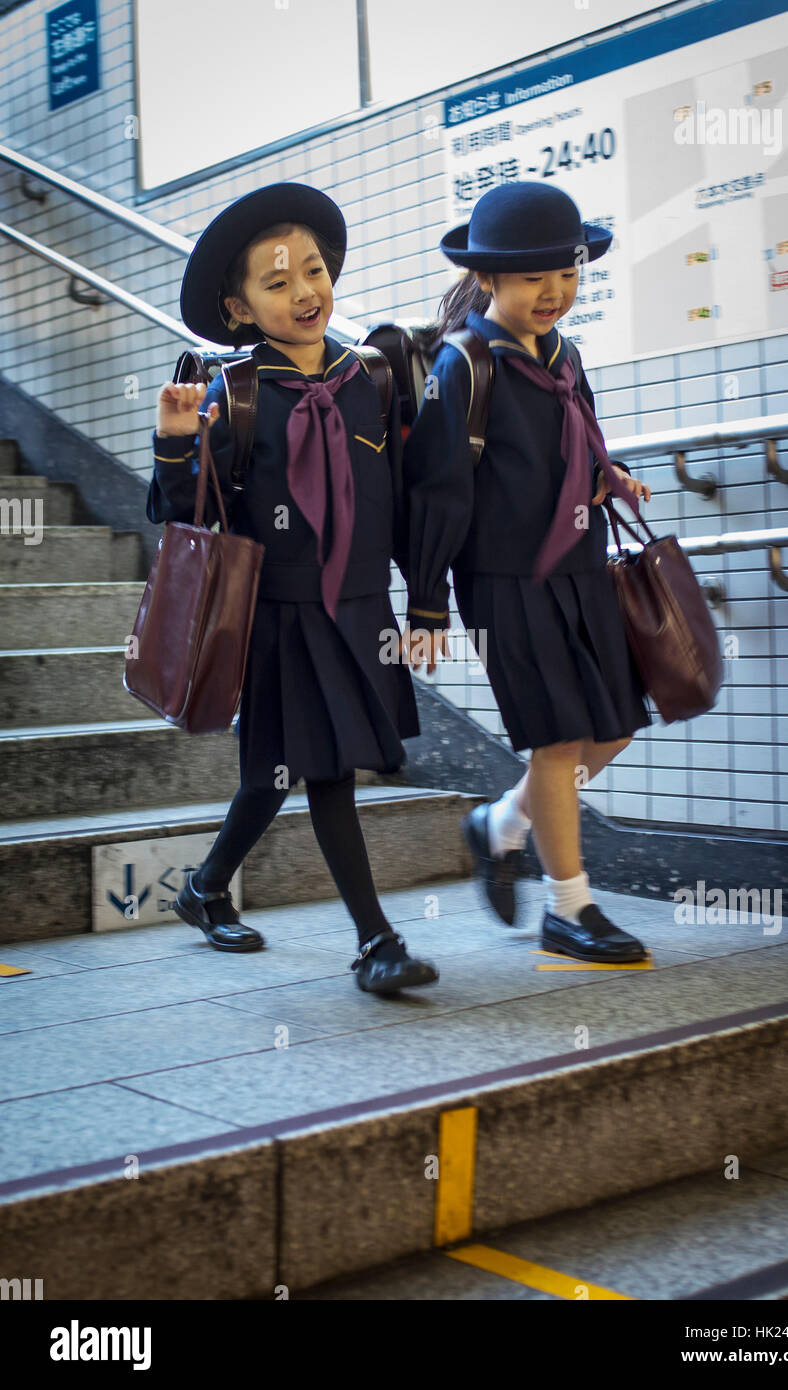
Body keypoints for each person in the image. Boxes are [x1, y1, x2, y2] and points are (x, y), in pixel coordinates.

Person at [146, 182, 438, 995]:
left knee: (271, 774)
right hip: (279, 615)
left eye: (312, 271)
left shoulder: (373, 377)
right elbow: (182, 515)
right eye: (277, 284)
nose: (305, 292)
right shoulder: (232, 393)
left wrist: (425, 604)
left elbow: (412, 496)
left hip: (357, 607)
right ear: (239, 308)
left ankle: (204, 889)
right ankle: (376, 943)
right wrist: (175, 444)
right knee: (329, 770)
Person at [401, 181, 654, 963]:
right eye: (534, 276)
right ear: (489, 279)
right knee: (556, 738)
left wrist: (609, 478)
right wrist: (427, 607)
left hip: (580, 566)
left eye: (568, 274)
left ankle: (502, 823)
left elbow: (574, 439)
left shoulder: (564, 356)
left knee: (613, 725)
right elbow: (436, 492)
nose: (555, 292)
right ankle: (570, 908)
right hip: (505, 580)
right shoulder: (464, 365)